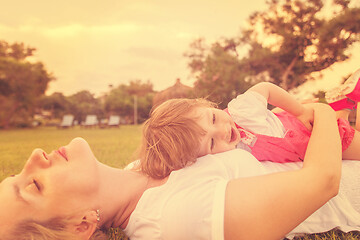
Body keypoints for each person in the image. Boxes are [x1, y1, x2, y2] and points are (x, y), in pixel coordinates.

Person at [1, 103, 360, 240]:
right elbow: (321, 182)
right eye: (33, 186)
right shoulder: (174, 219)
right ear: (81, 224)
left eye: (15, 174)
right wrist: (327, 112)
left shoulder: (141, 168)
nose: (34, 156)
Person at [138, 68, 360, 179]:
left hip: (317, 133)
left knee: (353, 139)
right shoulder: (230, 157)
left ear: (205, 104)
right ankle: (345, 101)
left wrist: (300, 110)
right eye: (212, 143)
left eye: (214, 119)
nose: (223, 131)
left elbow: (267, 88)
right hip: (307, 143)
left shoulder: (241, 110)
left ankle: (346, 102)